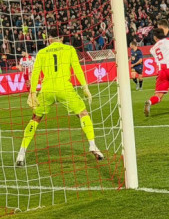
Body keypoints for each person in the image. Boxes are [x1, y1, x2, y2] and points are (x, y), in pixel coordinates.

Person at [16, 28, 103, 166]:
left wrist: (32, 92)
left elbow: (35, 73)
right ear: (62, 38)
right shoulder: (69, 49)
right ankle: (93, 145)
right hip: (64, 88)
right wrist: (85, 87)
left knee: (35, 119)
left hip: (47, 90)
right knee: (82, 113)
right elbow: (77, 69)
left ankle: (21, 154)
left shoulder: (42, 52)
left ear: (49, 39)